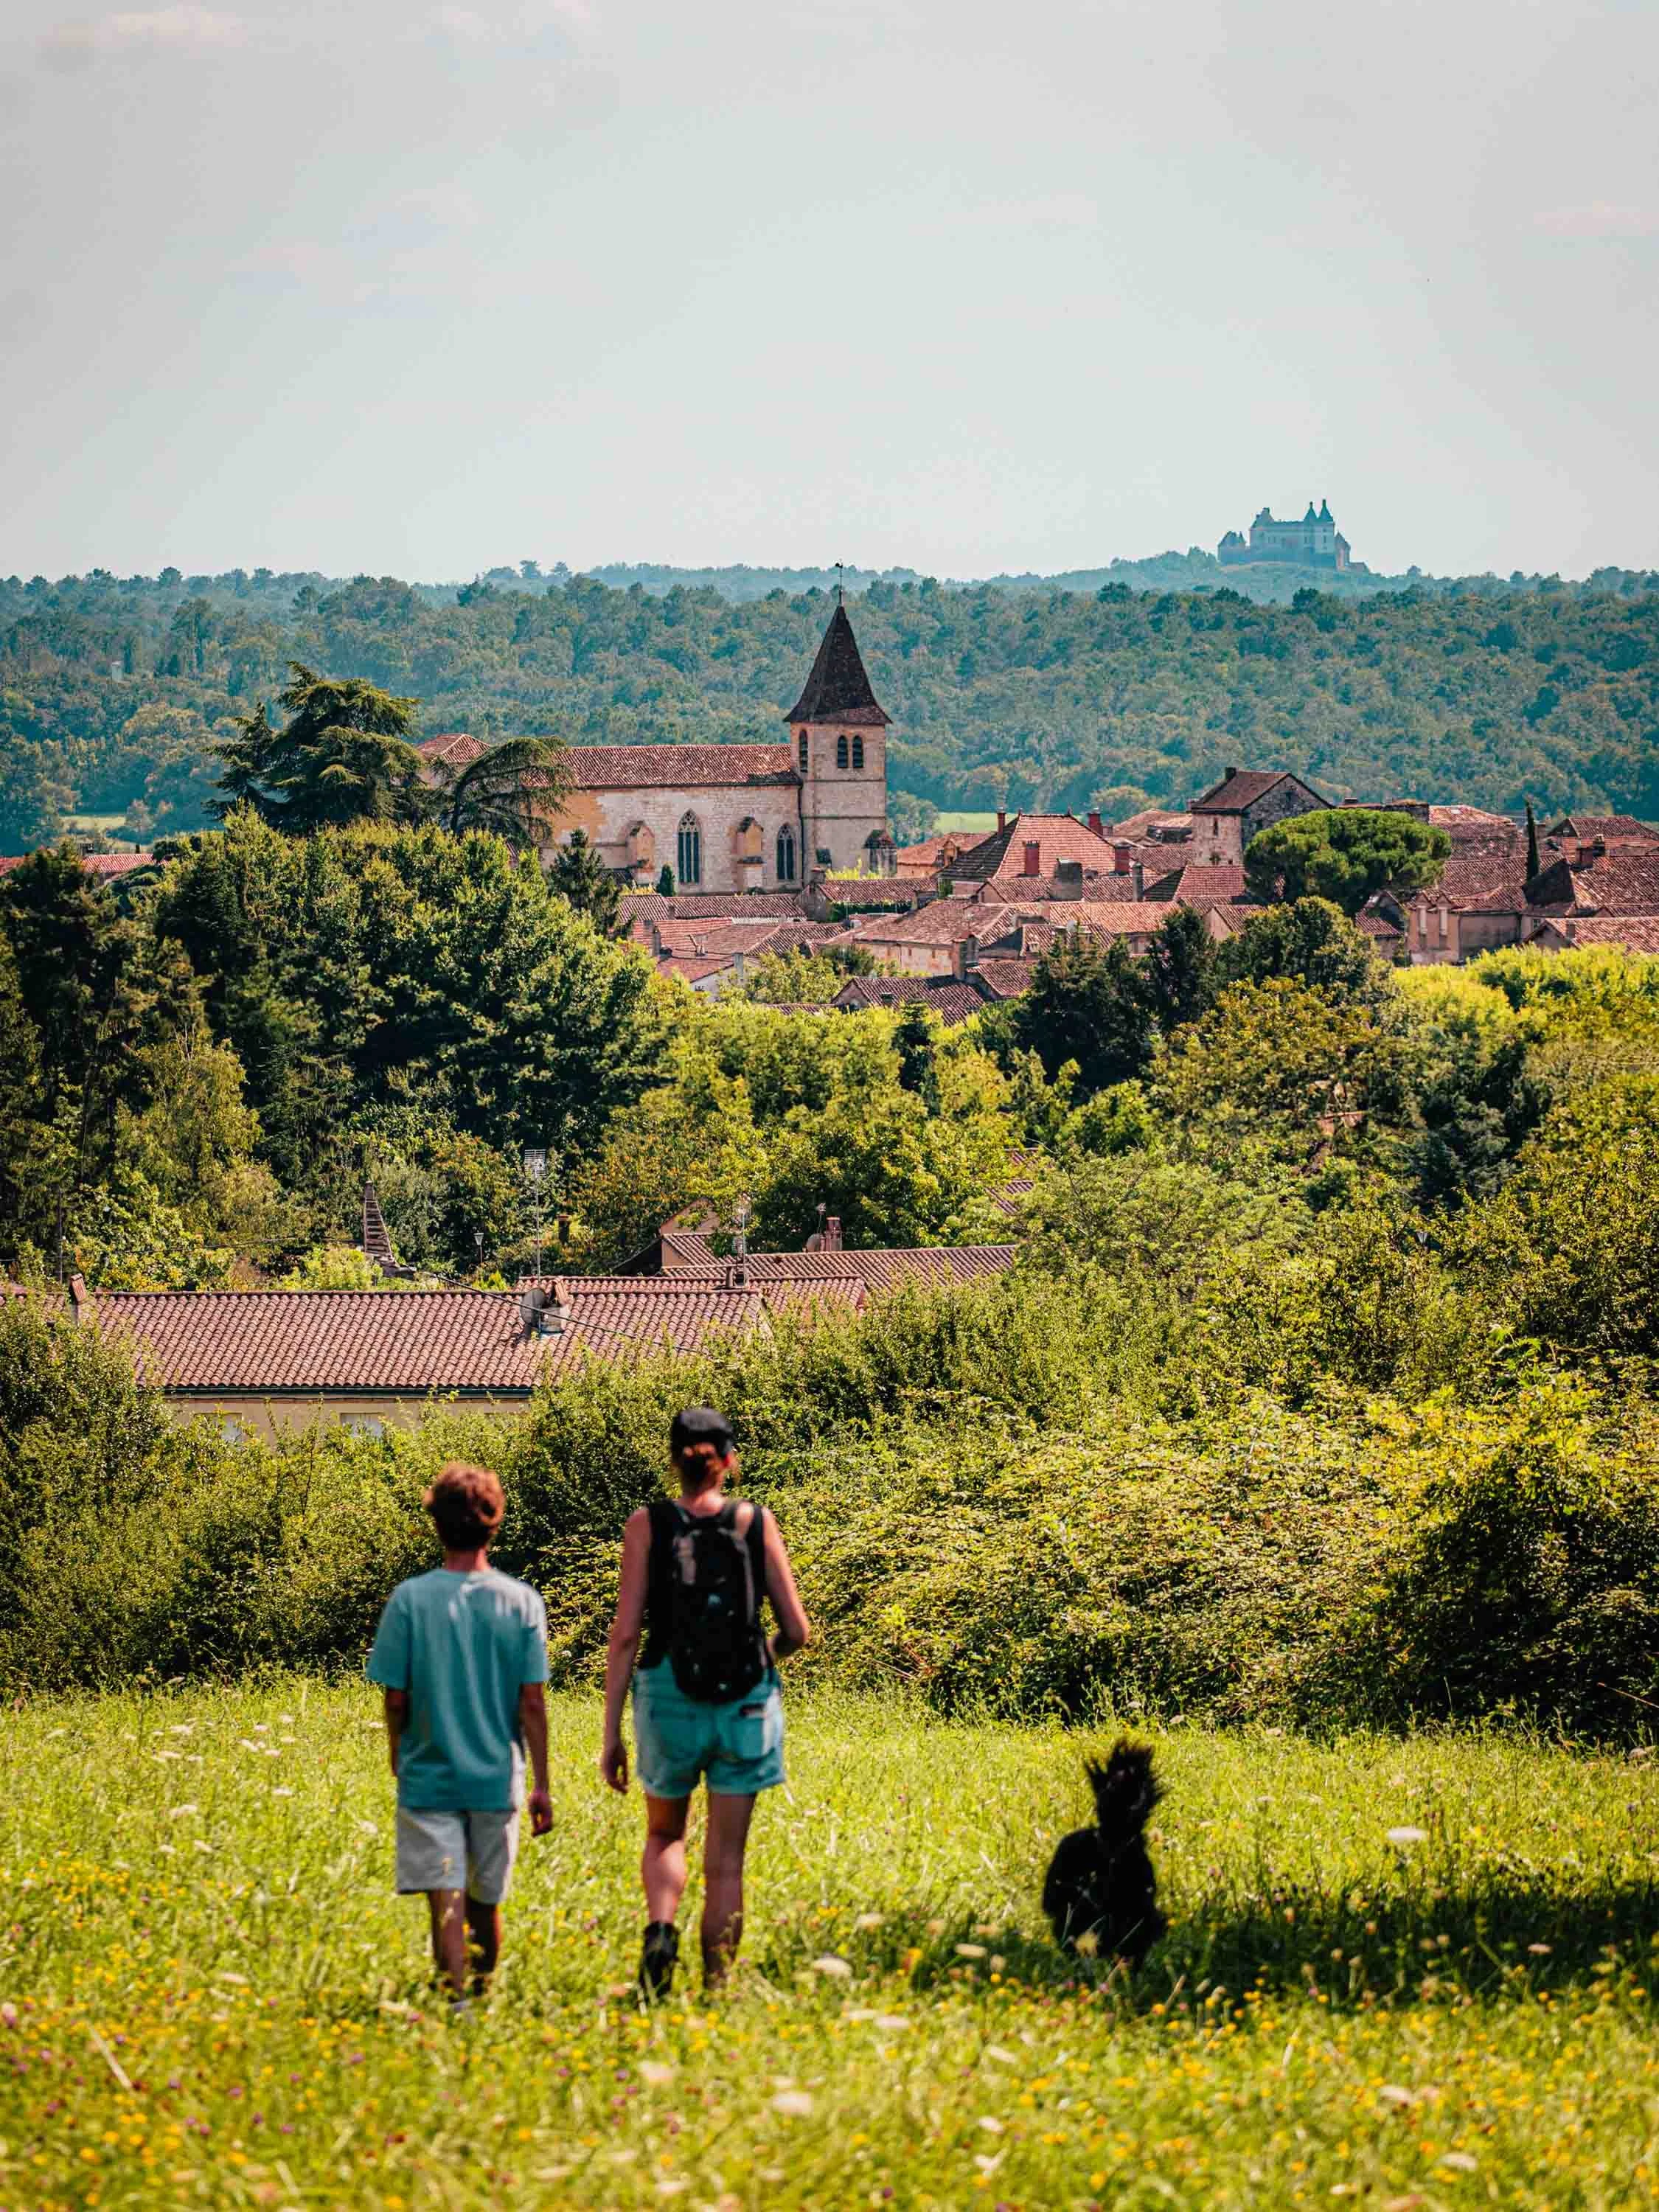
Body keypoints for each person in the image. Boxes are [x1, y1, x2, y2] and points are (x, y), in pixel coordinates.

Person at [600, 1406, 811, 1997]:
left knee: (665, 1834)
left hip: (667, 1694)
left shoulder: (647, 1525)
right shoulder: (756, 1522)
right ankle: (716, 1991)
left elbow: (626, 1634)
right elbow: (797, 1630)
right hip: (746, 1700)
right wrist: (762, 1656)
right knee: (726, 1864)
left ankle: (660, 1930)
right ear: (729, 1461)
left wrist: (612, 1732)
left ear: (673, 1460)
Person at [366, 1460, 553, 2010]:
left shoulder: (410, 1600)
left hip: (430, 1773)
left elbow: (396, 1698)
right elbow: (532, 1702)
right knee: (483, 1900)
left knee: (444, 1897)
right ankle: (482, 1992)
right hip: (496, 1777)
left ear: (437, 1522)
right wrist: (542, 1783)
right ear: (495, 1521)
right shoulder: (522, 1601)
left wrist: (397, 1751)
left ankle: (455, 2003)